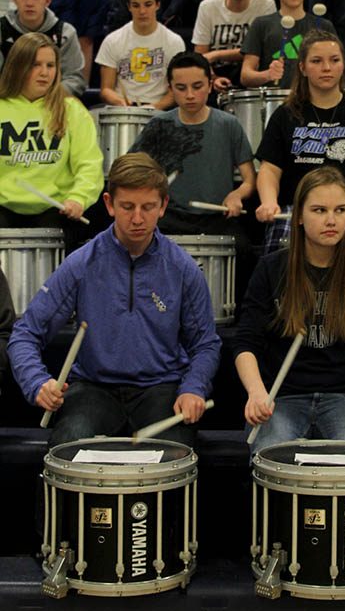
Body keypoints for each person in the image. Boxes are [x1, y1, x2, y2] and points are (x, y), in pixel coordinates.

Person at [7, 152, 221, 448]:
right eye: (127, 207)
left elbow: (206, 344)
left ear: (163, 206)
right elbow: (25, 333)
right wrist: (37, 383)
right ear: (108, 204)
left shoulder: (183, 269)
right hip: (93, 387)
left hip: (160, 387)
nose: (137, 218)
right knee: (69, 443)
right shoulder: (81, 264)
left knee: (174, 452)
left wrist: (193, 388)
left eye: (148, 207)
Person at [233, 166, 345, 453]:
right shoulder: (272, 269)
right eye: (319, 210)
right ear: (298, 217)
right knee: (272, 460)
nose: (331, 220)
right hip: (281, 398)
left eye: (340, 210)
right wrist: (256, 394)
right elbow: (246, 342)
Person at [255, 30, 345, 311]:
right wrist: (268, 202)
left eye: (334, 60)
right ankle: (287, 316)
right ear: (302, 67)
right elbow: (269, 170)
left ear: (342, 65)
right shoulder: (285, 115)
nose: (326, 68)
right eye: (317, 61)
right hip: (298, 210)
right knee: (279, 238)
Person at [129, 52, 255, 236]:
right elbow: (131, 170)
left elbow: (250, 180)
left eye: (197, 87)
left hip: (217, 216)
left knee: (243, 249)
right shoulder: (159, 125)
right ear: (170, 88)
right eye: (181, 88)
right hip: (169, 217)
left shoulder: (228, 124)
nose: (190, 95)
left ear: (210, 86)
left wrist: (236, 195)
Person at [0, 32, 103, 238]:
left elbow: (89, 163)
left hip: (54, 208)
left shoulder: (71, 109)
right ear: (18, 66)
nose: (44, 73)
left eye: (50, 66)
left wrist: (78, 198)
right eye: (35, 65)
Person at [240, 0, 336, 89]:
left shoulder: (324, 26)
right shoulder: (261, 24)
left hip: (314, 100)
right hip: (275, 101)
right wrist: (268, 75)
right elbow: (245, 76)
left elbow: (336, 69)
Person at [95, 0, 185, 108]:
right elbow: (106, 89)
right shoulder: (112, 40)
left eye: (148, 5)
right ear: (128, 7)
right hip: (123, 109)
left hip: (159, 110)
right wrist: (119, 102)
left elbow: (177, 90)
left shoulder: (174, 41)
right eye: (136, 6)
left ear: (158, 5)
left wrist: (154, 107)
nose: (142, 11)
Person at [192, 0, 276, 91]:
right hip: (215, 75)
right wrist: (213, 79)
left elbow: (262, 51)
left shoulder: (265, 5)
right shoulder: (207, 7)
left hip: (251, 75)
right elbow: (201, 57)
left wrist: (217, 54)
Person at [2, 0, 85, 98]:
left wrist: (46, 98)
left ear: (48, 1)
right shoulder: (1, 30)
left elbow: (74, 79)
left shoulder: (65, 33)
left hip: (51, 103)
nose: (29, 3)